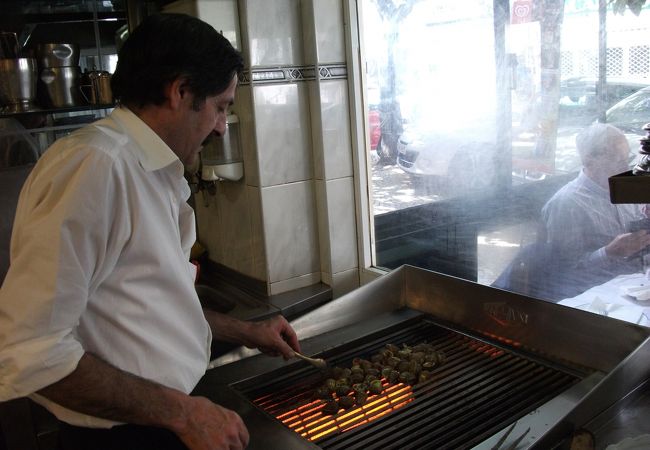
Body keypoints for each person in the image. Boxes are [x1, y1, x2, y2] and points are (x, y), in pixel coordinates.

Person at [0, 13, 301, 450]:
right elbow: (30, 352)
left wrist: (245, 332)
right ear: (179, 92)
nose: (221, 126)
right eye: (220, 106)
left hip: (158, 420)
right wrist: (184, 413)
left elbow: (148, 307)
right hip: (123, 435)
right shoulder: (98, 168)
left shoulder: (150, 168)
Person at [539, 122, 650, 298]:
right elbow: (563, 271)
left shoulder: (628, 187)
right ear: (589, 161)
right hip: (595, 296)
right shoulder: (567, 204)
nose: (626, 167)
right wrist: (609, 252)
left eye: (627, 159)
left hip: (638, 284)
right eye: (617, 160)